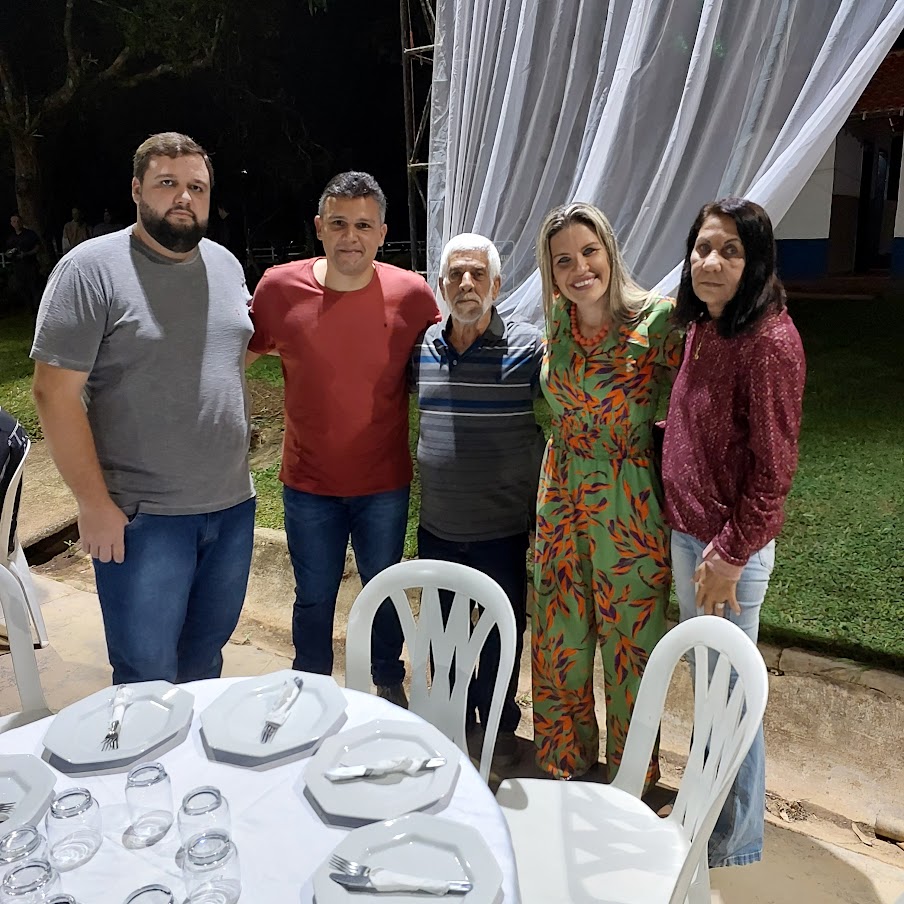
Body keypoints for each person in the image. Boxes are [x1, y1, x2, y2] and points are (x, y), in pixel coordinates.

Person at [31, 131, 256, 685]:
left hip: (232, 507)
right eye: (167, 183)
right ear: (136, 190)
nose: (184, 197)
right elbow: (52, 393)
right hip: (142, 517)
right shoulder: (90, 270)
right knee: (145, 678)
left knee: (204, 664)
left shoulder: (226, 264)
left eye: (197, 187)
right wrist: (93, 504)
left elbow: (225, 356)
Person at [247, 171, 439, 705]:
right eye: (338, 224)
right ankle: (308, 688)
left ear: (382, 233)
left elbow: (443, 361)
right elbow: (234, 360)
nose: (350, 236)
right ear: (318, 227)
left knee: (384, 590)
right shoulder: (278, 288)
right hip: (308, 483)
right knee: (313, 595)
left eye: (363, 225)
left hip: (384, 483)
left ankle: (387, 681)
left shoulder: (412, 294)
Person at [663, 197, 805, 868]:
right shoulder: (706, 325)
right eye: (702, 248)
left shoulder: (769, 342)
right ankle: (710, 814)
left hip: (724, 553)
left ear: (756, 262)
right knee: (714, 688)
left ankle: (732, 841)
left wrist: (729, 554)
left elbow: (774, 472)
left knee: (730, 695)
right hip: (691, 535)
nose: (711, 262)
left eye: (730, 251)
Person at [532, 202, 681, 782]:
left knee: (631, 644)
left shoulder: (657, 320)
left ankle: (629, 778)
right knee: (559, 634)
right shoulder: (558, 320)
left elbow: (702, 397)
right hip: (562, 491)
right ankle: (564, 764)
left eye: (589, 252)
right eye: (563, 260)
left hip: (628, 497)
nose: (580, 269)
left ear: (610, 252)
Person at [411, 233, 545, 763]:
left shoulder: (529, 348)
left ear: (497, 284)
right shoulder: (423, 346)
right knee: (441, 636)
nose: (466, 283)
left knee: (499, 636)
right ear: (441, 285)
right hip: (439, 526)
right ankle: (449, 723)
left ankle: (497, 728)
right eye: (455, 275)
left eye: (477, 274)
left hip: (502, 530)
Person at [5, 215, 41, 312]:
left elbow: (37, 247)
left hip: (31, 265)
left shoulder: (30, 234)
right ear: (11, 224)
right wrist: (9, 254)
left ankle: (38, 307)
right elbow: (7, 251)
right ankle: (29, 307)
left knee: (34, 286)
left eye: (18, 221)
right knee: (22, 287)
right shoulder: (11, 237)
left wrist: (26, 254)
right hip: (18, 267)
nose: (16, 223)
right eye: (14, 221)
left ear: (21, 222)